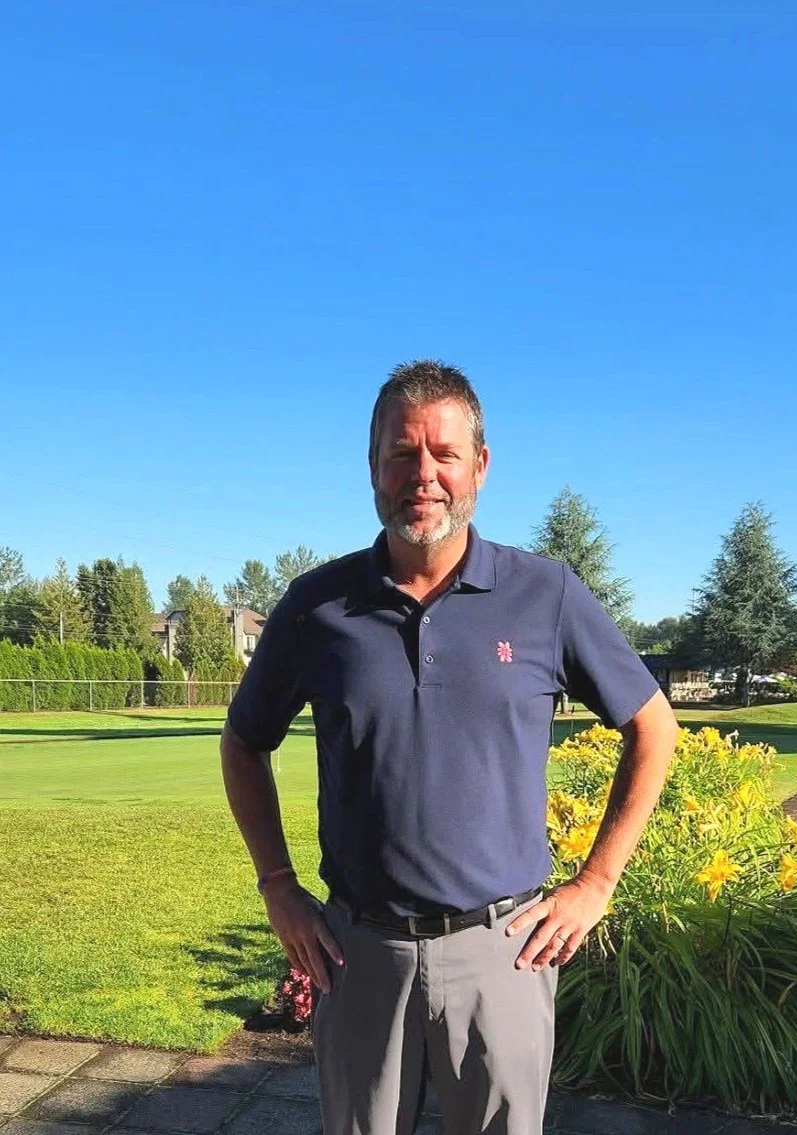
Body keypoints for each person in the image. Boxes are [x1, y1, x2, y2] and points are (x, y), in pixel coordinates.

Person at [220, 360, 679, 1135]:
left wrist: (596, 880)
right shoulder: (316, 606)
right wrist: (276, 884)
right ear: (372, 466)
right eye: (401, 453)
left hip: (503, 951)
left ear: (480, 466)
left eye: (443, 453)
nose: (422, 474)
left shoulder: (545, 593)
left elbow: (652, 726)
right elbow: (242, 742)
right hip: (358, 952)